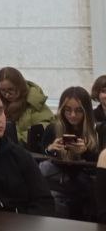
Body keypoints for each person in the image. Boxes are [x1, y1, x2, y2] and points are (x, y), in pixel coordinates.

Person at [38, 86, 100, 220]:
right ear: (62, 110)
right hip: (59, 179)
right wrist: (51, 150)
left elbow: (99, 164)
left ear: (86, 111)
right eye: (68, 110)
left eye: (79, 110)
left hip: (86, 180)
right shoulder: (53, 129)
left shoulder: (98, 131)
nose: (72, 115)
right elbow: (42, 154)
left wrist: (85, 152)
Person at [0, 67, 54, 142]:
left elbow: (45, 127)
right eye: (3, 90)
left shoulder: (34, 103)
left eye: (10, 89)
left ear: (20, 87)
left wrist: (15, 138)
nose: (7, 95)